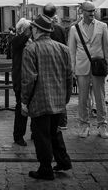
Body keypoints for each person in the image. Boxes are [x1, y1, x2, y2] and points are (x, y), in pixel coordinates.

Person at [21, 14, 73, 180]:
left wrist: (24, 100)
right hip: (58, 98)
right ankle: (63, 161)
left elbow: (29, 78)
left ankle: (45, 168)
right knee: (54, 131)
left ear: (36, 30)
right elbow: (69, 76)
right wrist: (66, 97)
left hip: (40, 99)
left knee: (41, 134)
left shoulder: (31, 49)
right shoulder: (63, 48)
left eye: (32, 28)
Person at [68, 1, 108, 139]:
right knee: (83, 99)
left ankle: (102, 125)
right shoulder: (74, 29)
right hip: (82, 67)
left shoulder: (102, 26)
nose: (92, 13)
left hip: (98, 66)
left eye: (93, 11)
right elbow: (71, 51)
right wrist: (72, 69)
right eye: (89, 11)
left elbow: (107, 48)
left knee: (100, 97)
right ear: (82, 12)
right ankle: (84, 125)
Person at [43, 3, 69, 130]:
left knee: (48, 92)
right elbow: (65, 45)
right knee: (61, 91)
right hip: (60, 62)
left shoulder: (43, 27)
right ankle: (62, 121)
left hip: (46, 63)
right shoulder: (60, 28)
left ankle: (51, 120)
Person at [10, 18, 31, 146]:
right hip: (20, 78)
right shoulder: (16, 40)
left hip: (29, 78)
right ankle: (18, 135)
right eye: (29, 29)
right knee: (21, 107)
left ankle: (35, 133)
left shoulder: (29, 41)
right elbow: (21, 40)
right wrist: (28, 32)